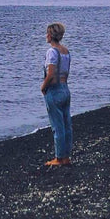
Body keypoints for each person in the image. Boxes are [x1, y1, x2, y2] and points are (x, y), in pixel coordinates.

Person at [40, 22, 72, 167]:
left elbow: (51, 73)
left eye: (47, 33)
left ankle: (59, 158)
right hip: (65, 88)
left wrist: (43, 86)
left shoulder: (52, 52)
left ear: (51, 35)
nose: (46, 36)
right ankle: (66, 156)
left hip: (55, 90)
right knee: (66, 124)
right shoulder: (66, 51)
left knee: (57, 126)